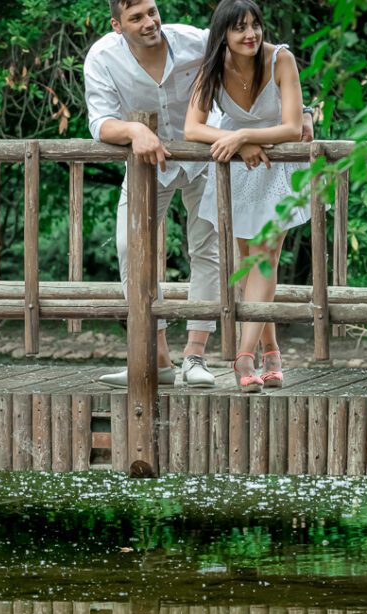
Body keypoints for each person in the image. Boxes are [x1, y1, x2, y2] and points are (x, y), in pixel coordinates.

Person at [84, 0, 220, 388]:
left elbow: (252, 51)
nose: (149, 22)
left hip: (206, 156)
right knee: (130, 247)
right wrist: (134, 130)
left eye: (152, 11)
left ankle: (195, 357)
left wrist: (303, 109)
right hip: (148, 164)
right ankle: (157, 359)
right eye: (137, 17)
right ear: (117, 25)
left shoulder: (194, 41)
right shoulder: (102, 58)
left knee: (207, 250)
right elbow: (100, 121)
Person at [184, 0, 311, 392]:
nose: (250, 34)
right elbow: (192, 128)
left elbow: (292, 127)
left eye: (255, 25)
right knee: (248, 264)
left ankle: (243, 357)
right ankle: (271, 351)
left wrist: (244, 135)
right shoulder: (212, 68)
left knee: (265, 258)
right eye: (239, 27)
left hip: (277, 166)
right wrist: (236, 141)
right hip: (239, 170)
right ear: (223, 33)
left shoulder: (281, 60)